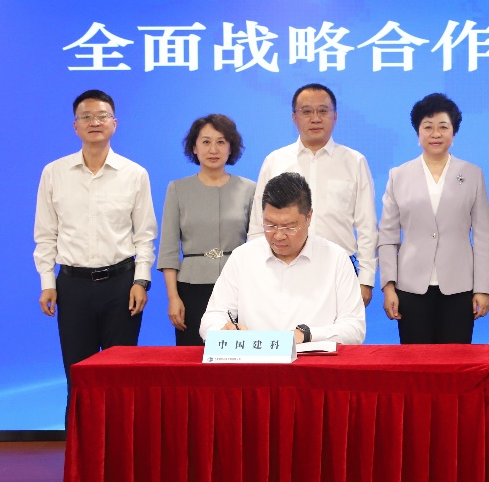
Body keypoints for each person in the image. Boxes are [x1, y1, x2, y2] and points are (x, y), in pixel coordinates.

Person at [34, 89, 156, 393]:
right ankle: (80, 428)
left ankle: (121, 427)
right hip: (72, 286)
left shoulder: (134, 173)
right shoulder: (54, 173)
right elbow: (46, 234)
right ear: (75, 126)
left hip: (122, 286)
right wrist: (47, 282)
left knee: (121, 377)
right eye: (86, 116)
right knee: (78, 376)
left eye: (102, 116)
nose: (95, 122)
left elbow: (144, 235)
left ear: (114, 123)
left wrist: (141, 282)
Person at [247, 83, 378, 306]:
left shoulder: (354, 161)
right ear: (294, 118)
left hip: (339, 268)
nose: (315, 118)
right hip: (284, 268)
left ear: (335, 116)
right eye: (306, 111)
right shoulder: (275, 161)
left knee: (337, 328)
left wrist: (365, 279)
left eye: (323, 111)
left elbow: (367, 226)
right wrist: (259, 269)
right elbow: (259, 224)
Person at [378, 93, 489, 344]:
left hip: (460, 286)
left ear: (454, 132)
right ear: (418, 133)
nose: (435, 134)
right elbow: (387, 236)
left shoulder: (472, 174)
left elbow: (483, 235)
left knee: (456, 360)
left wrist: (483, 288)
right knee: (416, 361)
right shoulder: (399, 175)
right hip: (410, 287)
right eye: (428, 127)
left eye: (443, 127)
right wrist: (388, 286)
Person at [200, 172, 365, 345]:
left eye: (289, 227)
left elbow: (355, 328)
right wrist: (223, 331)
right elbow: (212, 318)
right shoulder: (243, 257)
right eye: (270, 225)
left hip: (313, 359)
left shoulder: (336, 259)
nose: (278, 236)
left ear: (309, 217)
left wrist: (308, 335)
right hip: (257, 359)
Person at [157, 114, 255, 346]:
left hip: (238, 286)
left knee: (238, 353)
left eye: (221, 142)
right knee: (192, 356)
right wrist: (173, 298)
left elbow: (257, 244)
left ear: (231, 147)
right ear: (194, 147)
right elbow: (169, 250)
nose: (213, 149)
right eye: (206, 142)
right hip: (191, 287)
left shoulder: (249, 189)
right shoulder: (178, 189)